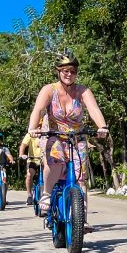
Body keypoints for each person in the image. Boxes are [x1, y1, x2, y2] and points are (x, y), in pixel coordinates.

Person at [27, 51, 108, 233]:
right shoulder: (49, 90)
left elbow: (94, 110)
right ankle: (47, 194)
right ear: (58, 72)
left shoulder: (83, 91)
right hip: (53, 134)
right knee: (55, 161)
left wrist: (102, 126)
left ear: (76, 72)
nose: (68, 74)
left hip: (77, 137)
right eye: (64, 70)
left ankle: (82, 219)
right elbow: (38, 110)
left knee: (80, 178)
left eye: (72, 70)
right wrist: (33, 128)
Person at [18, 128, 42, 206]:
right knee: (29, 175)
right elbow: (23, 145)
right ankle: (29, 195)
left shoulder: (47, 134)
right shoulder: (30, 134)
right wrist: (21, 154)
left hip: (44, 160)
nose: (39, 127)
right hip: (32, 159)